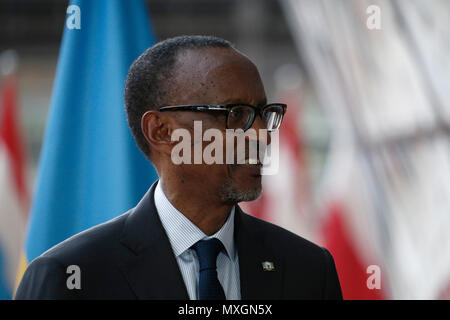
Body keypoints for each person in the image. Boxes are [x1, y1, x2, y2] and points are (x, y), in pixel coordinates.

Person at [15, 35, 342, 300]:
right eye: (237, 115)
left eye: (263, 113)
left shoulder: (308, 269)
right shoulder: (69, 276)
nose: (262, 136)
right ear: (161, 131)